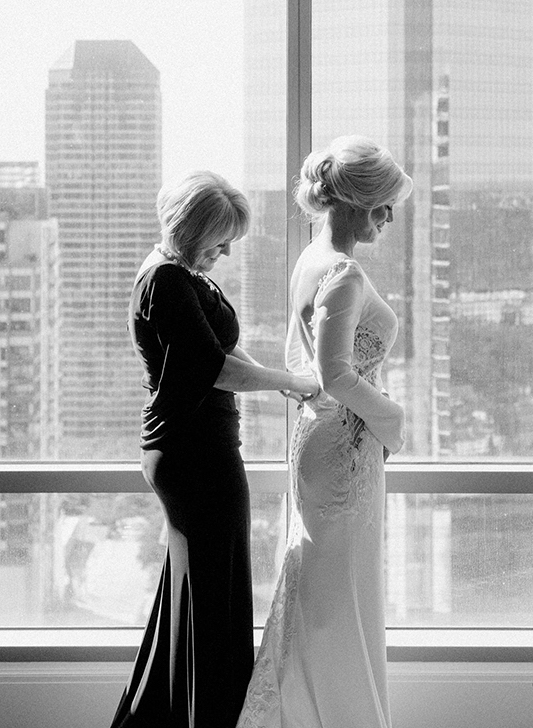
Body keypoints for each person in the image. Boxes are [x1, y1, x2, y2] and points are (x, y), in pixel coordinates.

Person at [110, 171, 318, 728]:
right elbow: (213, 367)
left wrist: (277, 377)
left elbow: (223, 348)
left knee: (196, 597)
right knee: (213, 604)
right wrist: (293, 382)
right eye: (219, 239)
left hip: (194, 454)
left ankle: (161, 717)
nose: (225, 251)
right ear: (190, 227)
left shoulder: (180, 275)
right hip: (195, 458)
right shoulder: (168, 282)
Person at [236, 136, 413, 728]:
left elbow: (304, 364)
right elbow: (335, 374)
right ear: (358, 202)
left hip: (325, 438)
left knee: (329, 584)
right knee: (339, 591)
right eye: (383, 205)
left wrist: (319, 396)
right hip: (344, 447)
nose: (388, 218)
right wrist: (390, 417)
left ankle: (311, 710)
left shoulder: (310, 258)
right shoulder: (342, 272)